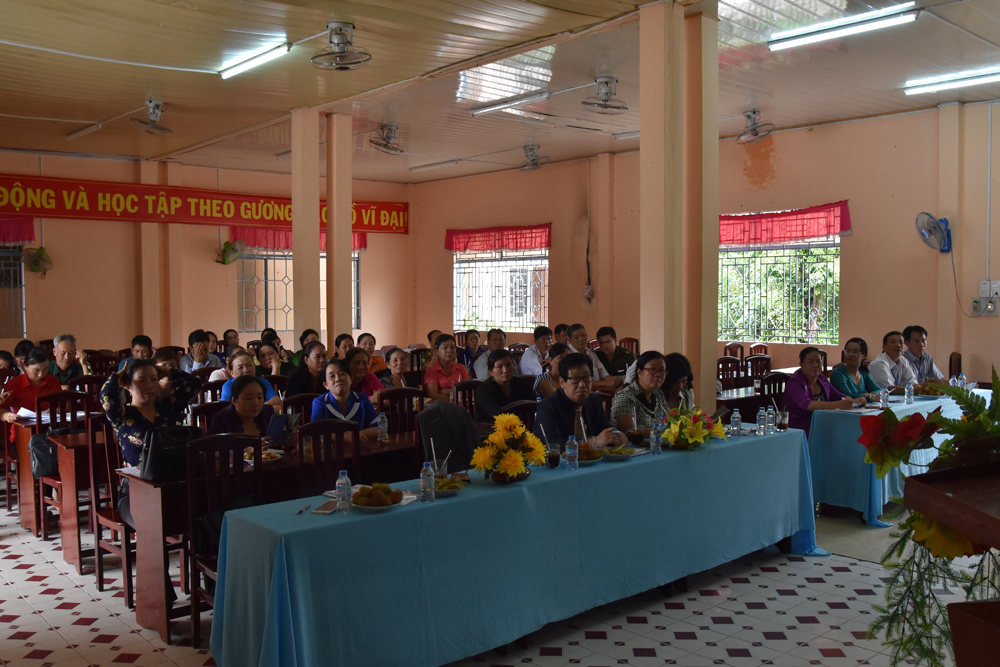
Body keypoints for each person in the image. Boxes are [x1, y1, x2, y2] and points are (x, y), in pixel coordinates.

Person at [100, 359, 201, 527]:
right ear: (128, 385)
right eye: (141, 381)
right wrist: (117, 377)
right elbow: (107, 396)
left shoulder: (167, 408)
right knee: (151, 523)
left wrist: (167, 370)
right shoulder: (122, 415)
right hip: (135, 491)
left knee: (200, 514)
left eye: (154, 379)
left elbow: (195, 384)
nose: (150, 386)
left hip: (171, 484)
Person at [533, 353, 627, 448]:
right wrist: (592, 443)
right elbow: (552, 445)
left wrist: (617, 436)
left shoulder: (595, 401)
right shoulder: (547, 406)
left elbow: (607, 432)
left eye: (586, 378)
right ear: (562, 382)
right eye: (575, 379)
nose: (582, 384)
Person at [784, 347, 865, 437]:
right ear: (801, 364)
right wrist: (838, 405)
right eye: (810, 362)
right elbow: (808, 405)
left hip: (822, 424)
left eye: (818, 362)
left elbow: (839, 396)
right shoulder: (794, 383)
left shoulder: (822, 379)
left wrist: (854, 401)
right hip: (800, 429)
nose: (815, 365)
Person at [311, 359, 380, 440]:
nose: (338, 379)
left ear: (351, 379)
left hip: (360, 447)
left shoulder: (362, 399)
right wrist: (344, 437)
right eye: (332, 376)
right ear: (326, 385)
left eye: (342, 374)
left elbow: (379, 427)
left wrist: (355, 436)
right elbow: (316, 433)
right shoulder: (320, 402)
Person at [611, 351, 671, 436]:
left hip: (657, 442)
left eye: (662, 370)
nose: (658, 374)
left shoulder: (658, 394)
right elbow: (630, 430)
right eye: (653, 369)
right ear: (639, 372)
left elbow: (670, 420)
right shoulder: (625, 396)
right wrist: (664, 433)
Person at [0, 347, 61, 424]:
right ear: (25, 366)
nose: (41, 374)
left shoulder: (53, 380)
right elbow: (2, 410)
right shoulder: (14, 383)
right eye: (36, 370)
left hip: (50, 426)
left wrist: (59, 410)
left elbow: (64, 404)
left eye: (45, 369)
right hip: (23, 428)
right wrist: (7, 416)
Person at [475, 349, 537, 423]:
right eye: (499, 367)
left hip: (520, 425)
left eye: (509, 365)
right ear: (491, 371)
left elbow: (534, 404)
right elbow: (498, 415)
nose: (505, 370)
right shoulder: (484, 390)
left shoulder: (521, 383)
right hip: (491, 427)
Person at [208, 374, 275, 436]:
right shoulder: (221, 420)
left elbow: (277, 439)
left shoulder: (268, 412)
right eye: (248, 398)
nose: (256, 403)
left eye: (259, 397)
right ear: (234, 400)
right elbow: (211, 444)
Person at [566, 324, 620, 392]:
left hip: (597, 393)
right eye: (576, 337)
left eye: (583, 335)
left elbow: (604, 375)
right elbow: (578, 381)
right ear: (569, 340)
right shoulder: (567, 355)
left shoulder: (591, 354)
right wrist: (605, 383)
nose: (581, 339)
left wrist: (617, 381)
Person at [424, 334, 469, 402]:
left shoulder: (461, 367)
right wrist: (454, 397)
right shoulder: (431, 370)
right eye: (445, 347)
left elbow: (468, 391)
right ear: (437, 351)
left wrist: (444, 392)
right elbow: (433, 395)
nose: (449, 350)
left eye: (452, 347)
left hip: (462, 406)